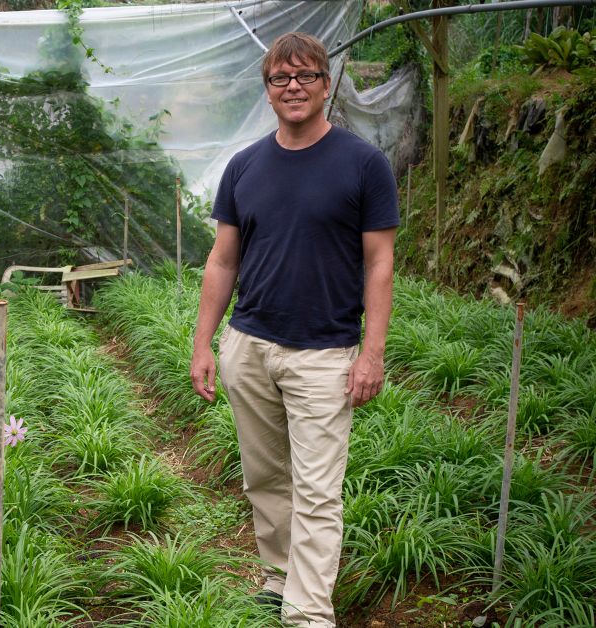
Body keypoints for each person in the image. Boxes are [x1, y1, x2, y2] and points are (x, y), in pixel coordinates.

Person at [187, 33, 398, 627]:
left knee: (317, 491)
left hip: (325, 353)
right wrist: (205, 343)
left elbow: (379, 263)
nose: (293, 88)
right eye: (281, 79)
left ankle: (306, 614)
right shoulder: (245, 165)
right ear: (269, 90)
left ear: (325, 85)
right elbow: (222, 260)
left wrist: (371, 353)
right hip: (249, 345)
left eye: (305, 76)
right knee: (265, 478)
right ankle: (277, 576)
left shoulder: (363, 164)